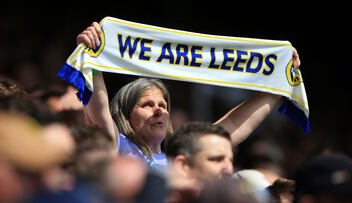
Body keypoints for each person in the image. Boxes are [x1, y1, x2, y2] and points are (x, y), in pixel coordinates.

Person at [75, 22, 301, 171]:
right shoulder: (117, 146)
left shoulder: (180, 158)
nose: (160, 110)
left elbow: (231, 125)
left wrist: (278, 85)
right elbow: (100, 110)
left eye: (163, 105)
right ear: (125, 114)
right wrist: (92, 58)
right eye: (147, 104)